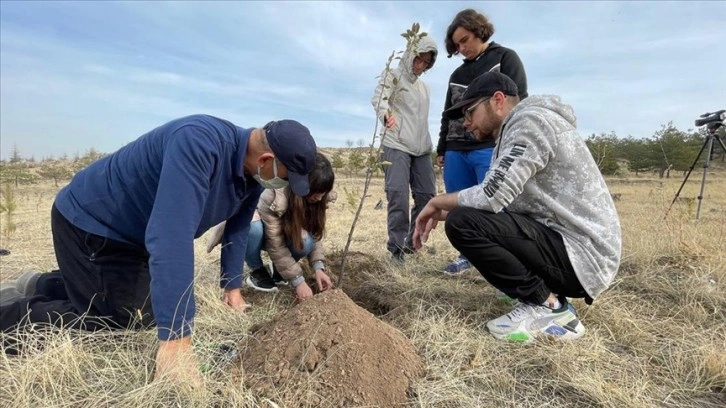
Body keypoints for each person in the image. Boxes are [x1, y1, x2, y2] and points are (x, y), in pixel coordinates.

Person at [0, 115, 317, 383]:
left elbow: (237, 227)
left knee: (145, 307)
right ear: (266, 160)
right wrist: (177, 340)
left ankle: (45, 283)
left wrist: (232, 286)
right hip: (91, 224)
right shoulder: (199, 143)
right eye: (285, 178)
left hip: (132, 238)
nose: (282, 187)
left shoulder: (251, 175)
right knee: (122, 319)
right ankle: (11, 314)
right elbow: (171, 236)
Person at [413, 72, 621, 342]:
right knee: (463, 217)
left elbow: (491, 196)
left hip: (583, 256)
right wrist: (443, 212)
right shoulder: (518, 129)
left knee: (463, 223)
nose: (466, 123)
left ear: (497, 100)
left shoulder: (530, 123)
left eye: (470, 112)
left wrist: (436, 201)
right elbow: (502, 203)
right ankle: (545, 297)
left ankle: (548, 307)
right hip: (572, 248)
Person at [436, 9, 528, 275]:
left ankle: (502, 257)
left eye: (465, 40)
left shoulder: (505, 58)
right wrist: (443, 147)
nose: (462, 48)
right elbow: (447, 112)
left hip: (489, 146)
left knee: (496, 203)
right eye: (457, 45)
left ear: (479, 31)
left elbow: (518, 102)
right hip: (456, 149)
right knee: (459, 206)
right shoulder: (456, 75)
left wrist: (512, 142)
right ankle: (468, 255)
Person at [206, 153, 335, 298]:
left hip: (285, 233)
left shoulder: (320, 197)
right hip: (262, 233)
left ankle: (280, 272)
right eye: (316, 191)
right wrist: (298, 281)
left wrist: (318, 267)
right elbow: (275, 242)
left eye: (323, 192)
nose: (319, 197)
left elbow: (314, 233)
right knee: (252, 227)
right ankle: (257, 270)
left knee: (306, 241)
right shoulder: (274, 196)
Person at [371, 34, 438, 263]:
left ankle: (411, 243)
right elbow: (379, 97)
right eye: (419, 59)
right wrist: (385, 115)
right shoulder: (393, 75)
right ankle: (396, 250)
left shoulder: (425, 89)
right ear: (411, 54)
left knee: (427, 196)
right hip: (396, 144)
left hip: (422, 148)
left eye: (427, 63)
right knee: (398, 196)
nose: (421, 66)